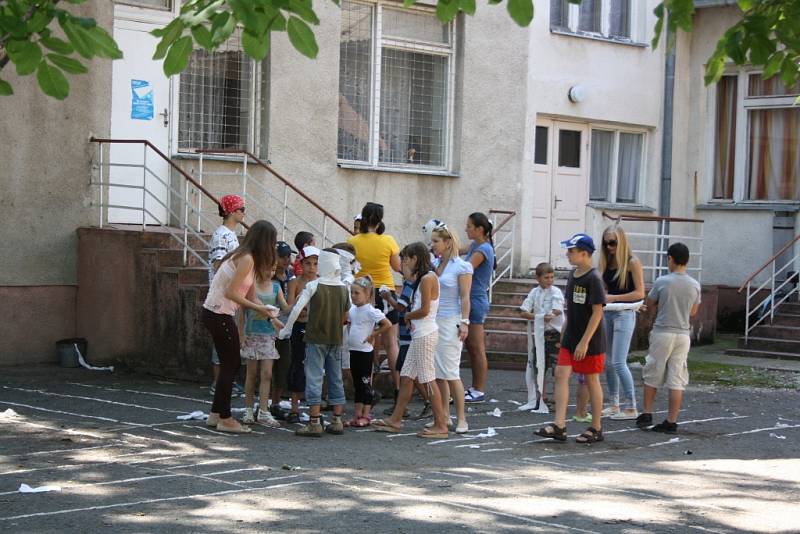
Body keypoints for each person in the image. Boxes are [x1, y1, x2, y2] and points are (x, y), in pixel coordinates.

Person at [202, 220, 278, 434]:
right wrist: (260, 309)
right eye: (272, 241)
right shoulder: (246, 259)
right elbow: (232, 293)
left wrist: (272, 316)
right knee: (231, 363)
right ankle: (225, 418)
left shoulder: (249, 259)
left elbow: (252, 295)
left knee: (230, 363)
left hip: (218, 313)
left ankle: (216, 413)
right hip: (218, 313)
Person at [371, 242, 449, 439]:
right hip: (419, 334)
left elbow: (424, 310)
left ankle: (441, 424)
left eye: (405, 259)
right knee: (407, 377)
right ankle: (396, 419)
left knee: (428, 379)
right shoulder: (424, 278)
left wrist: (407, 317)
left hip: (424, 333)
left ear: (415, 258)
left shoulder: (427, 279)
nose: (402, 263)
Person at [535, 233, 606, 444]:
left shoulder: (594, 278)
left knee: (592, 379)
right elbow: (570, 309)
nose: (568, 254)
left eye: (571, 251)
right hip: (571, 336)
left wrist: (584, 341)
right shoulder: (573, 276)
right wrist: (564, 334)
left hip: (590, 339)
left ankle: (596, 427)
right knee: (560, 374)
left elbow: (597, 313)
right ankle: (559, 425)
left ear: (585, 254)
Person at [279, 249, 350, 437]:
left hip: (316, 338)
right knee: (335, 377)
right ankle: (337, 420)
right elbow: (346, 314)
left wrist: (286, 329)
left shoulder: (314, 285)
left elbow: (296, 309)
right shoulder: (343, 287)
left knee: (314, 377)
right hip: (336, 338)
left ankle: (314, 421)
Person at [636, 243, 701, 434]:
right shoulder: (694, 284)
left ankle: (647, 412)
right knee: (677, 377)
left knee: (653, 371)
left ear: (670, 258)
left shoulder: (662, 281)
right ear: (687, 261)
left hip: (662, 331)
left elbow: (650, 303)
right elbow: (694, 311)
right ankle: (671, 421)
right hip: (682, 334)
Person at [348, 202, 403, 414]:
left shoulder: (352, 241)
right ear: (379, 220)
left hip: (363, 292)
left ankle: (366, 389)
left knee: (364, 341)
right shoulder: (388, 240)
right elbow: (397, 267)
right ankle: (398, 391)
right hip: (386, 292)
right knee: (391, 344)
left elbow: (351, 266)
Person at [599, 224, 645, 420]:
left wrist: (613, 298)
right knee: (608, 362)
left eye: (613, 243)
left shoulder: (632, 262)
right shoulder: (607, 263)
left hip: (624, 313)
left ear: (622, 242)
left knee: (618, 361)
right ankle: (614, 403)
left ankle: (631, 406)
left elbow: (640, 292)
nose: (609, 247)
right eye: (606, 243)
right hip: (608, 313)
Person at [430, 224, 472, 434]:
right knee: (438, 372)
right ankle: (444, 415)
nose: (433, 245)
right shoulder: (438, 264)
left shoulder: (461, 266)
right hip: (436, 320)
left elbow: (465, 296)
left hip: (452, 320)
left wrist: (465, 322)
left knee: (451, 371)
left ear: (447, 243)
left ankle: (461, 418)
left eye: (436, 241)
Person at [240, 262, 289, 427]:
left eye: (273, 269)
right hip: (252, 333)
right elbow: (242, 311)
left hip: (268, 335)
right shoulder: (250, 285)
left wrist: (299, 298)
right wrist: (241, 334)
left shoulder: (276, 287)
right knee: (251, 374)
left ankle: (263, 410)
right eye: (267, 268)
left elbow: (286, 307)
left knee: (267, 374)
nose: (270, 272)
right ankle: (248, 409)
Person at [208, 194, 247, 397]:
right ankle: (218, 383)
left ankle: (226, 382)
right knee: (222, 341)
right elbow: (218, 264)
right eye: (241, 209)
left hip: (230, 297)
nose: (243, 213)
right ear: (231, 211)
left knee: (228, 341)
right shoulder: (222, 234)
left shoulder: (230, 234)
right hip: (221, 297)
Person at [381, 275, 433, 420]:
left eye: (404, 262)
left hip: (408, 334)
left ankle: (428, 402)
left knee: (408, 371)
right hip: (408, 333)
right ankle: (402, 407)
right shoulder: (414, 282)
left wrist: (387, 297)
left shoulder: (411, 283)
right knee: (406, 371)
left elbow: (401, 306)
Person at [518, 262, 563, 412]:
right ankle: (541, 397)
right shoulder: (534, 292)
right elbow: (523, 311)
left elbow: (557, 310)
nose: (550, 280)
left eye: (551, 277)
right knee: (539, 366)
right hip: (540, 334)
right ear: (538, 278)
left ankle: (558, 400)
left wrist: (545, 316)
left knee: (557, 369)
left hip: (555, 334)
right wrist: (540, 317)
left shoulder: (555, 291)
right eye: (546, 277)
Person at [347, 276, 391, 427]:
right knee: (357, 384)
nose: (353, 296)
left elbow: (387, 324)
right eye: (352, 292)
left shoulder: (371, 311)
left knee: (365, 384)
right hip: (353, 351)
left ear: (367, 294)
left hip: (365, 353)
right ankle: (357, 414)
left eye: (357, 293)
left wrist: (373, 334)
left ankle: (366, 414)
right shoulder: (352, 309)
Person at [284, 246, 320, 423]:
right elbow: (292, 308)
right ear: (301, 263)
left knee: (316, 367)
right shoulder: (295, 283)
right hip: (299, 328)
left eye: (315, 263)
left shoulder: (321, 283)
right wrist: (304, 310)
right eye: (308, 263)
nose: (311, 267)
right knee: (297, 364)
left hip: (316, 329)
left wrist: (305, 310)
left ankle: (316, 407)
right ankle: (294, 407)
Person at [463, 212, 495, 403]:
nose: (466, 229)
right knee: (471, 346)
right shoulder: (476, 245)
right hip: (470, 299)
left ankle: (479, 389)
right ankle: (474, 387)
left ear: (479, 229)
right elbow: (458, 249)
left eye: (469, 226)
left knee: (476, 347)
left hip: (475, 300)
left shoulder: (484, 249)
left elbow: (465, 269)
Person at [270, 241, 296, 421]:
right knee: (267, 368)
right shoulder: (269, 277)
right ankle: (264, 403)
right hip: (269, 325)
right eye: (283, 256)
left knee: (283, 366)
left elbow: (289, 306)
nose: (287, 260)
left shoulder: (291, 276)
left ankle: (276, 403)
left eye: (289, 256)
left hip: (286, 327)